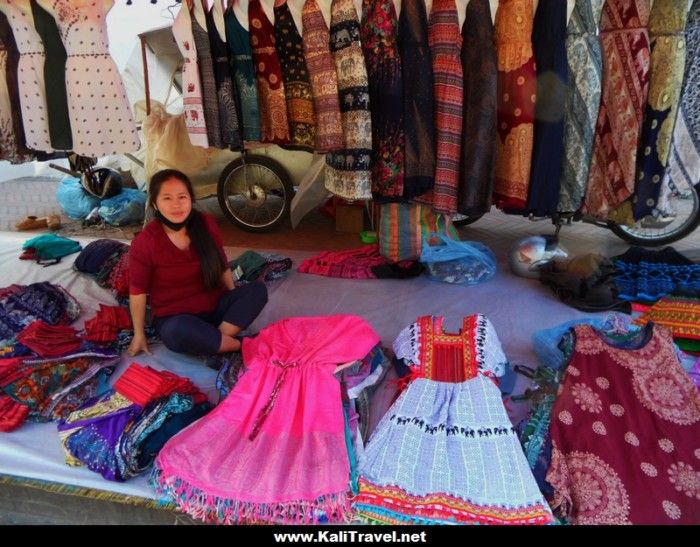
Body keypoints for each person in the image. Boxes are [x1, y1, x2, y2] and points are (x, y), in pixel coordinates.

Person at [127, 169, 268, 360]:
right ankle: (243, 344)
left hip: (215, 308)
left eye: (182, 197)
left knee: (257, 291)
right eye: (167, 198)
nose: (176, 205)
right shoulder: (145, 243)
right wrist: (139, 334)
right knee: (176, 332)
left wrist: (234, 301)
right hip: (176, 317)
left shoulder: (206, 224)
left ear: (191, 199)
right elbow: (137, 291)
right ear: (155, 204)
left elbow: (221, 265)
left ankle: (216, 341)